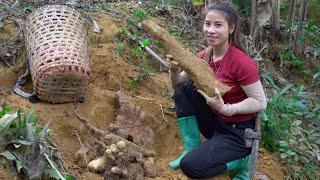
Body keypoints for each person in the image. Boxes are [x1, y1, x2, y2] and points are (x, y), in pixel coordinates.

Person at [166, 1, 267, 179]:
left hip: (238, 134)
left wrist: (226, 109)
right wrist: (173, 70)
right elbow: (177, 85)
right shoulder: (204, 56)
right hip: (216, 123)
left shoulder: (241, 62)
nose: (211, 30)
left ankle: (241, 162)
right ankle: (190, 147)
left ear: (231, 28)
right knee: (184, 88)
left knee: (190, 167)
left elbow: (260, 102)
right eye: (208, 24)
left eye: (218, 25)